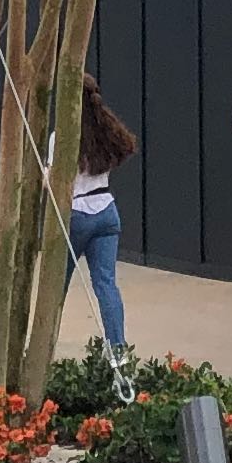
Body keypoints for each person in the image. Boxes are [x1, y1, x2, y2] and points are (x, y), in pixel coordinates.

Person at [65, 75, 135, 358]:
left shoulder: (65, 138)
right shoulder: (106, 131)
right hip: (106, 209)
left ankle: (39, 347)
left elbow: (56, 181)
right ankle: (118, 348)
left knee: (55, 285)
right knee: (106, 283)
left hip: (76, 213)